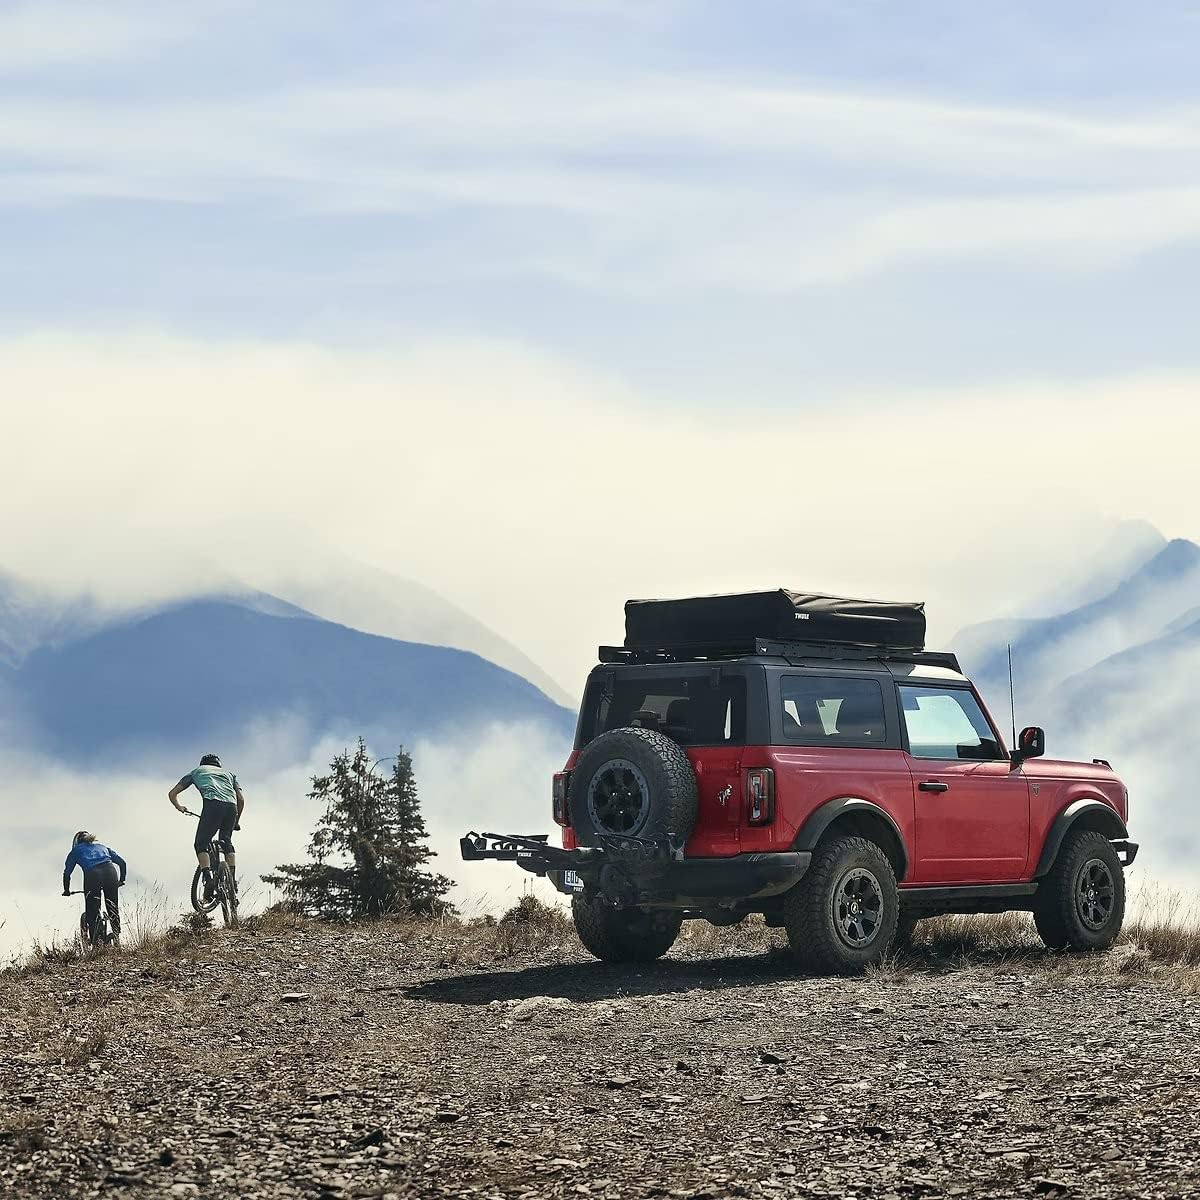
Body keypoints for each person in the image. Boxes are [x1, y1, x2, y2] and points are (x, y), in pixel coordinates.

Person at [168, 753, 244, 899]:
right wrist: (236, 821)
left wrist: (179, 807)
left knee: (201, 843)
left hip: (212, 805)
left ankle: (208, 880)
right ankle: (232, 880)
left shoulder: (197, 771)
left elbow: (172, 793)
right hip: (231, 807)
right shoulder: (230, 774)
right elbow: (241, 799)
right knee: (226, 841)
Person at [63, 831, 126, 945]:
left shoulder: (75, 851)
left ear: (76, 842)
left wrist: (66, 890)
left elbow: (67, 874)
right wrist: (121, 880)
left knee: (92, 910)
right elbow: (122, 863)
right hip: (111, 872)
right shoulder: (102, 847)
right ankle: (117, 938)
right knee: (112, 907)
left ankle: (97, 943)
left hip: (92, 875)